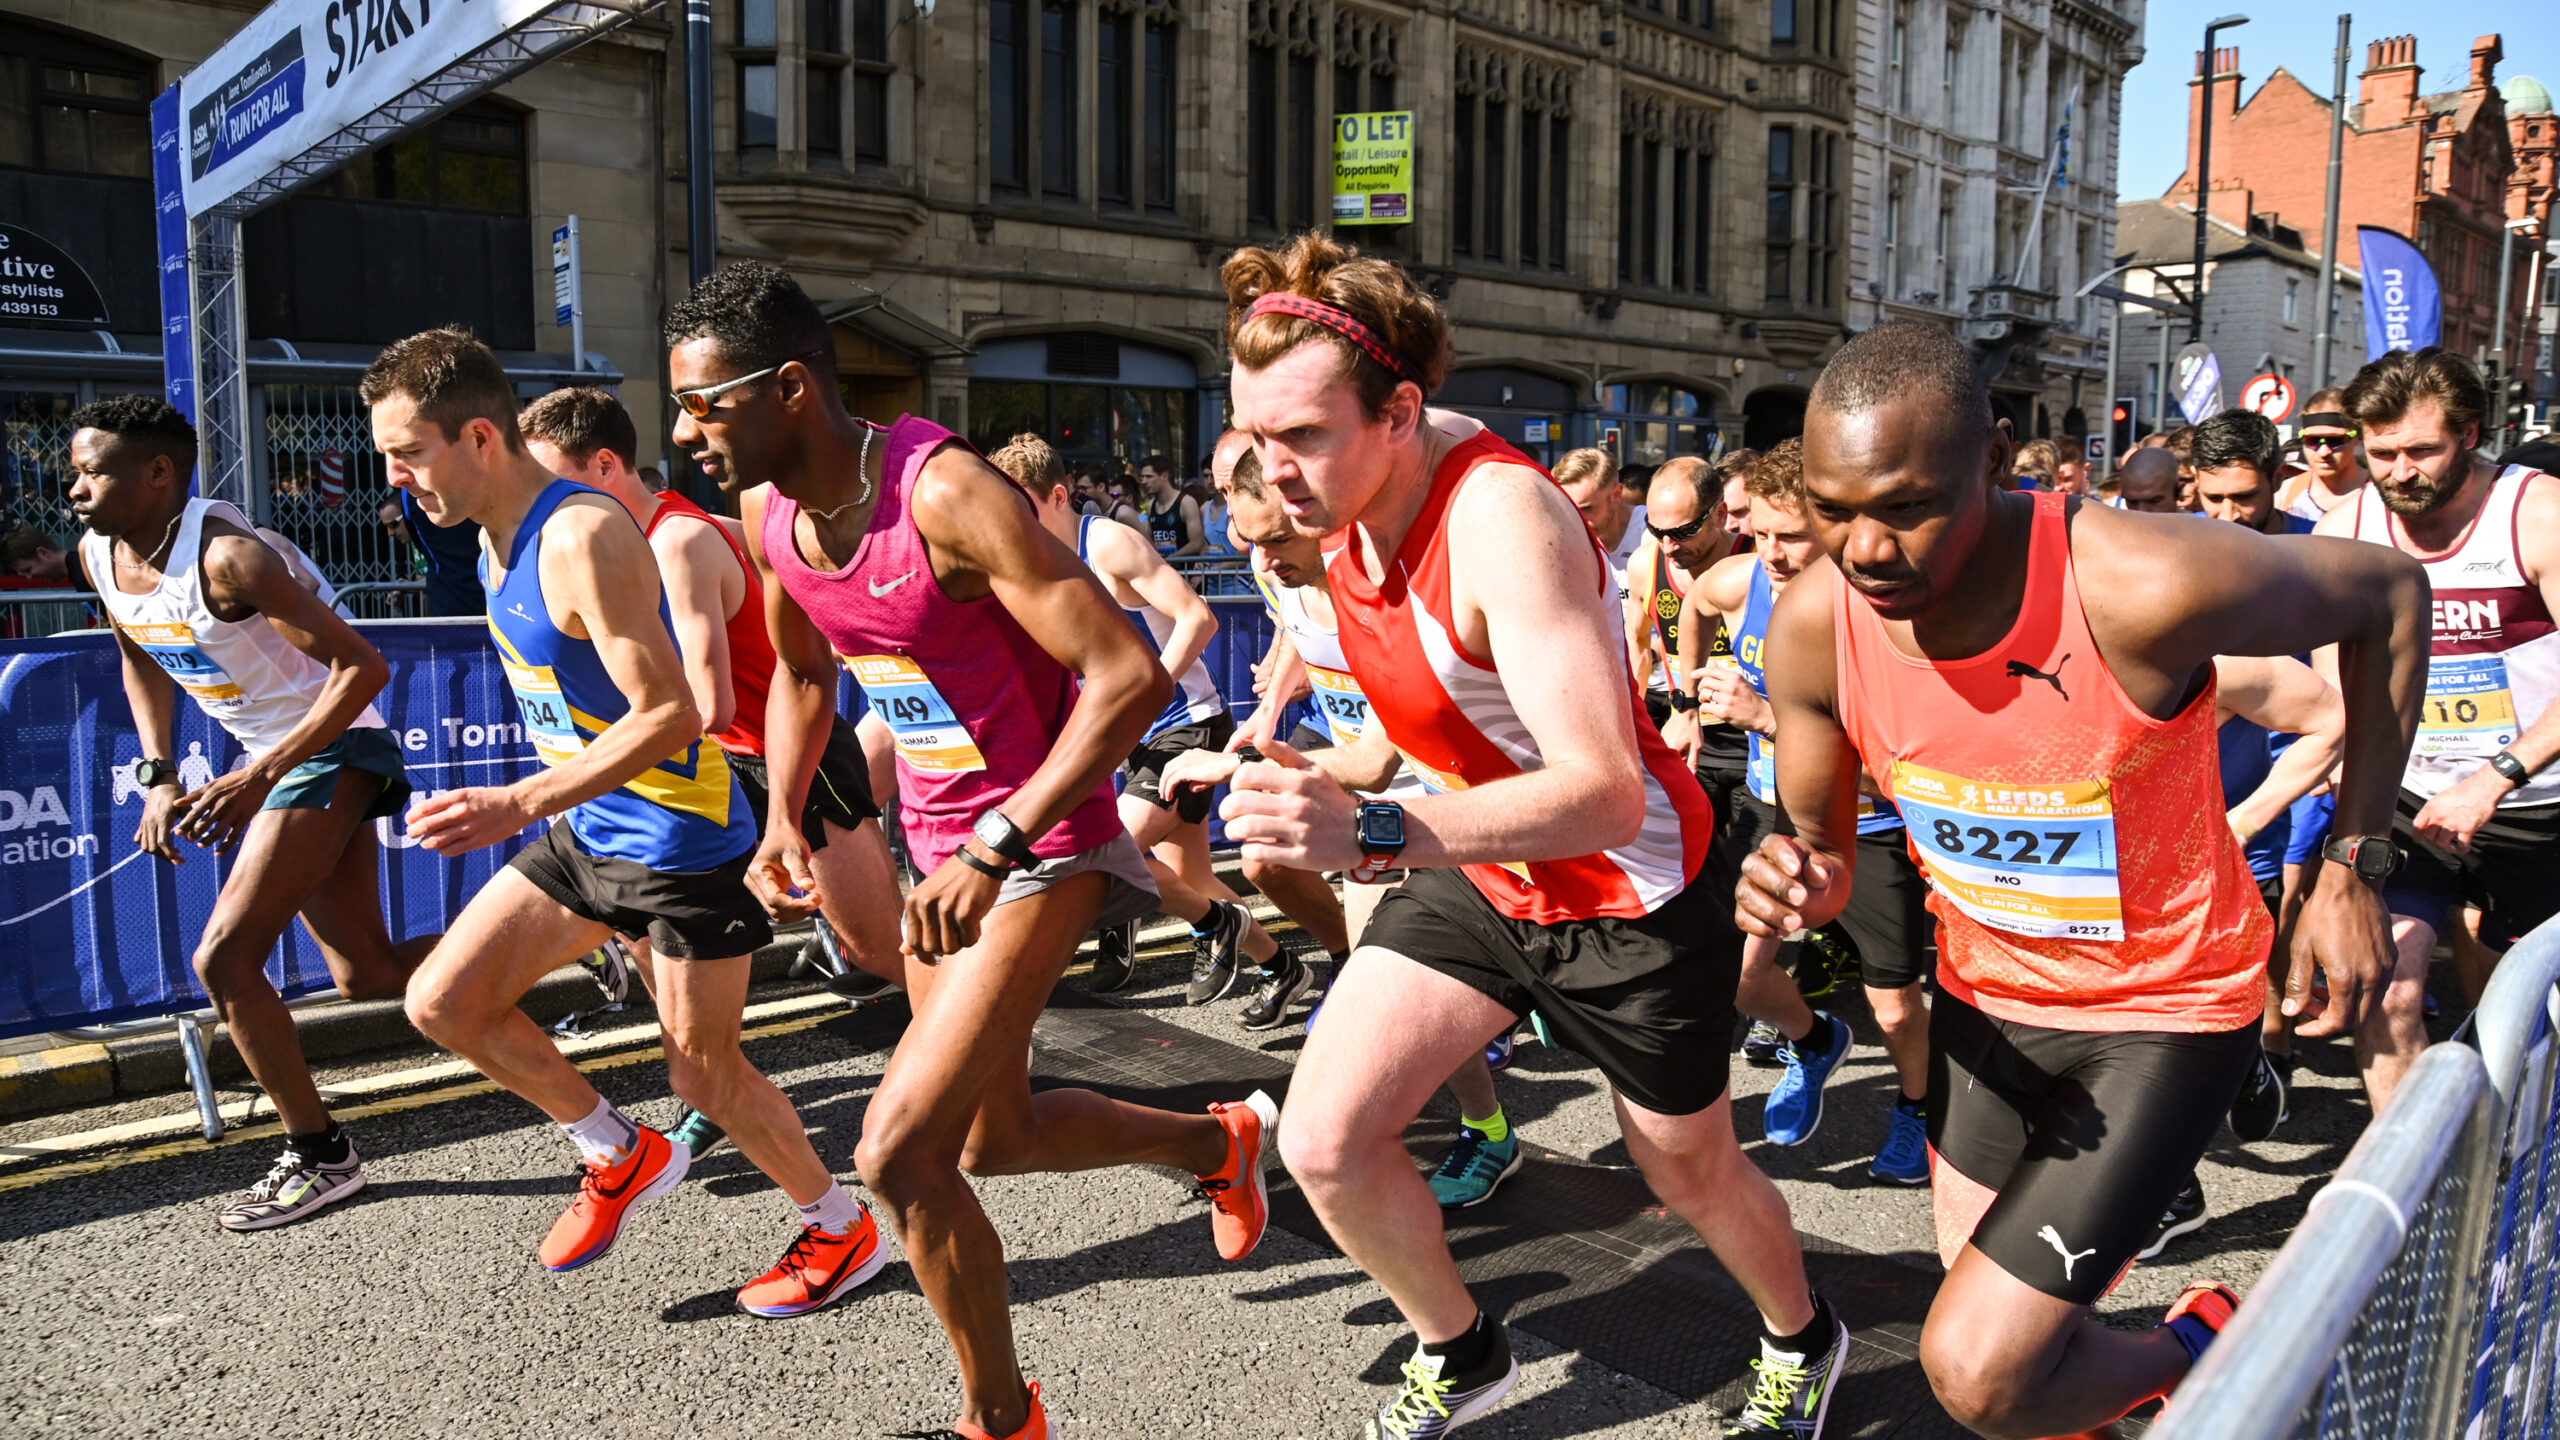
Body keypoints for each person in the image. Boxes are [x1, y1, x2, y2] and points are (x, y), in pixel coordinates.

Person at [1736, 320, 2426, 1437]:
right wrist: (1785, 879)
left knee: (1978, 1374)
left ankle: (2202, 1338)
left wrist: (2352, 861)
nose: (1864, 549)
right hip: (1987, 1010)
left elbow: (2391, 595)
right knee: (2028, 1363)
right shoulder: (1819, 626)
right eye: (1832, 507)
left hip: (2161, 1016)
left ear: (1996, 457)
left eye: (1907, 506)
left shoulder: (2139, 577)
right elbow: (1815, 848)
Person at [1218, 236, 1845, 1437]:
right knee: (1327, 1139)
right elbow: (1418, 731)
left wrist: (1373, 826)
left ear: (1400, 412)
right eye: (1254, 437)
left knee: (1682, 1172)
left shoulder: (1503, 519)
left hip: (1627, 887)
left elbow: (1605, 791)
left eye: (1301, 436)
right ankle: (1461, 1350)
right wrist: (1291, 768)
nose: (1273, 472)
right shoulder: (1339, 507)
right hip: (1475, 868)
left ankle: (1804, 1335)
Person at [673, 263, 1274, 1440]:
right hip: (943, 846)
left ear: (790, 387)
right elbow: (802, 673)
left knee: (897, 1156)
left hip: (1040, 839)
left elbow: (1127, 675)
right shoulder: (768, 513)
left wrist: (999, 843)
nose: (688, 432)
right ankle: (1220, 1141)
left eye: (708, 404)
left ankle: (1001, 1420)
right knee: (994, 1140)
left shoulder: (945, 493)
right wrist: (786, 815)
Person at [379, 331, 880, 1320]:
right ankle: (615, 1146)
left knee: (706, 1072)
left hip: (677, 841)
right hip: (586, 829)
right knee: (442, 1002)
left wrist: (516, 803)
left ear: (479, 435)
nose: (394, 479)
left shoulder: (584, 535)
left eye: (409, 453)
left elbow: (673, 715)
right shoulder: (488, 537)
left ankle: (838, 1225)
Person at [66, 394, 435, 1230]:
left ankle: (321, 1154)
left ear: (158, 473)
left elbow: (362, 670)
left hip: (335, 746)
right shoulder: (97, 553)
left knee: (225, 960)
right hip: (275, 757)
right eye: (73, 472)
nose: (76, 489)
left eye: (93, 471)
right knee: (366, 974)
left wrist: (256, 776)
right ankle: (564, 940)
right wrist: (160, 773)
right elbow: (141, 655)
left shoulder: (232, 559)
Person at [518, 385, 907, 1123]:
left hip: (784, 759)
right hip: (704, 770)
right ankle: (712, 1083)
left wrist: (602, 757)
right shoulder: (631, 542)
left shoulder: (672, 541)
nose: (537, 502)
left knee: (877, 947)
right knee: (646, 929)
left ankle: (984, 1049)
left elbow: (708, 707)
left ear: (605, 466)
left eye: (549, 481)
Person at [1177, 448, 1531, 1205]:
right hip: (1376, 820)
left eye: (1277, 542)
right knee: (1402, 974)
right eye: (1248, 543)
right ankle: (1488, 1131)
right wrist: (1259, 726)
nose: (1264, 563)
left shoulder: (1379, 592)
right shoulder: (1285, 583)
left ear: (1323, 521)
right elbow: (1297, 648)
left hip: (1453, 807)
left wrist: (1240, 768)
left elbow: (1372, 762)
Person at [2316, 347, 2560, 1112]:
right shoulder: (2346, 525)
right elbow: (2333, 673)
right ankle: (2429, 1211)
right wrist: (2339, 758)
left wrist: (2496, 778)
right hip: (2407, 796)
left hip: (2535, 801)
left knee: (2525, 1019)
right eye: (2380, 452)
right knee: (2384, 994)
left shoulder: (2537, 512)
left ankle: (2522, 1168)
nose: (2398, 472)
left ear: (2473, 434)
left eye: (2422, 450)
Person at [1681, 439, 1929, 1182]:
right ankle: (1814, 1039)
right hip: (1772, 813)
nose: (1774, 554)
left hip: (1870, 827)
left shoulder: (1882, 615)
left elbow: (1897, 764)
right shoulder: (1740, 580)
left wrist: (1761, 716)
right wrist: (1683, 705)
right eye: (1757, 533)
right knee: (1740, 980)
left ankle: (1918, 1108)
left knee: (1892, 1010)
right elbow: (1692, 600)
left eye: (1791, 537)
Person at [993, 431, 1284, 1003]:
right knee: (1194, 881)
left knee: (1107, 855)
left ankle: (1180, 927)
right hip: (1126, 735)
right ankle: (1281, 967)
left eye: (1021, 506)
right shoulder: (1032, 560)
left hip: (1184, 724)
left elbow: (1198, 618)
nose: (1012, 521)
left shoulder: (1107, 544)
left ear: (1057, 496)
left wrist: (1143, 694)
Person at [1626, 456, 1740, 734]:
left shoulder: (1757, 561)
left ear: (1720, 515)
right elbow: (1637, 644)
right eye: (1656, 531)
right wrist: (1634, 727)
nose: (1668, 547)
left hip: (1752, 738)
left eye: (1684, 532)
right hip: (1683, 724)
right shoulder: (1645, 565)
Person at [2192, 410, 2317, 538]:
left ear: (2278, 479)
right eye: (2214, 498)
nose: (2228, 517)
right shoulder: (2181, 538)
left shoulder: (2319, 543)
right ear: (2197, 480)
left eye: (2244, 497)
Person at [393, 481, 487, 616]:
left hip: (447, 601)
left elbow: (419, 541)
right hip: (479, 597)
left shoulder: (409, 492)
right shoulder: (408, 493)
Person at [2277, 388, 2369, 523]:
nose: (2323, 451)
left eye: (2335, 440)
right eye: (2312, 440)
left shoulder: (2380, 494)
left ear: (2357, 438)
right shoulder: (2285, 493)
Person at [1137, 452, 1204, 556]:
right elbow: (1147, 535)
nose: (1144, 481)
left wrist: (1171, 559)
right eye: (1142, 477)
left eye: (1149, 477)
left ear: (1164, 476)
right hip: (1163, 567)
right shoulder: (1150, 506)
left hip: (1185, 569)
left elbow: (1196, 543)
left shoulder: (1186, 502)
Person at [2114, 447, 2184, 513]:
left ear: (2178, 493)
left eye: (2153, 501)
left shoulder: (2194, 525)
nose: (2142, 511)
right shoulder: (2112, 524)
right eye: (2132, 502)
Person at [4, 524, 71, 584]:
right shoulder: (76, 571)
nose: (29, 578)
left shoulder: (79, 573)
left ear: (43, 553)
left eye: (28, 569)